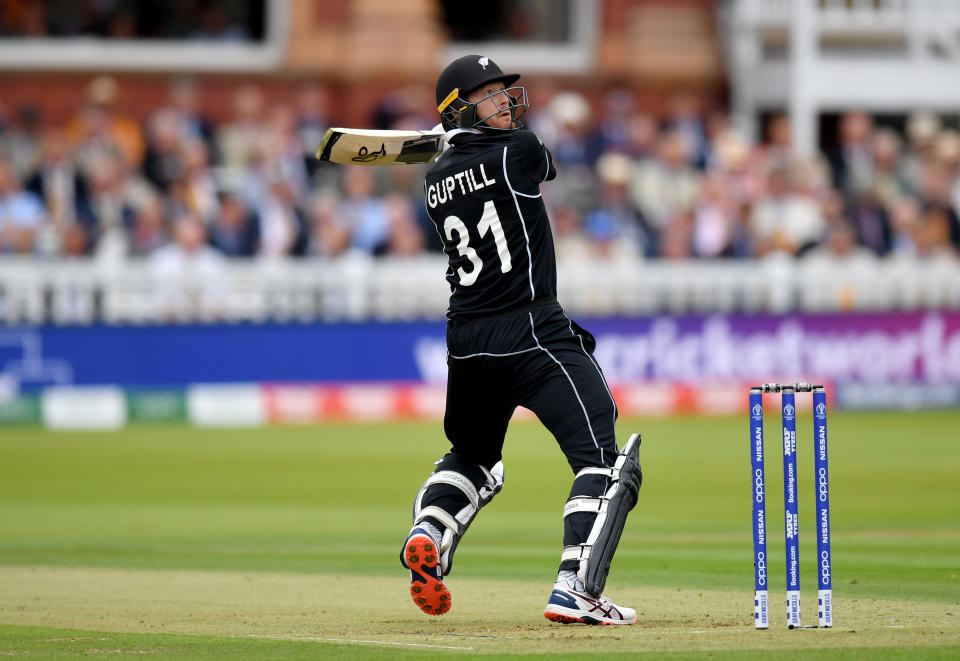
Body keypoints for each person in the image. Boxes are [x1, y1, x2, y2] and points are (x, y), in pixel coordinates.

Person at [399, 55, 643, 626]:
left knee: (476, 458)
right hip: (532, 329)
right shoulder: (521, 150)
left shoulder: (434, 179)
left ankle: (429, 529)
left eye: (505, 94)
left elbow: (465, 166)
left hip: (466, 340)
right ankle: (575, 588)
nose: (506, 103)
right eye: (488, 96)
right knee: (603, 460)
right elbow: (544, 166)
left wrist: (457, 138)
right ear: (460, 108)